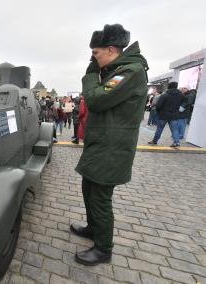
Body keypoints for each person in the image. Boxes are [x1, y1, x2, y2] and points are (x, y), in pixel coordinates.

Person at [72, 24, 149, 266]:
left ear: (111, 49)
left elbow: (95, 100)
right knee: (89, 189)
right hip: (102, 144)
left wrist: (92, 73)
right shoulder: (118, 69)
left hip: (112, 148)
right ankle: (94, 229)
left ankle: (104, 249)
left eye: (96, 53)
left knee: (100, 198)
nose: (93, 59)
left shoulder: (130, 71)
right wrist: (96, 68)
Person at [148, 82, 186, 147]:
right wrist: (180, 109)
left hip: (163, 115)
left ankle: (154, 141)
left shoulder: (164, 95)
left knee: (159, 129)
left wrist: (159, 112)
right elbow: (186, 102)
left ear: (169, 86)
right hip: (174, 115)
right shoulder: (181, 95)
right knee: (174, 129)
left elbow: (158, 106)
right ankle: (176, 142)